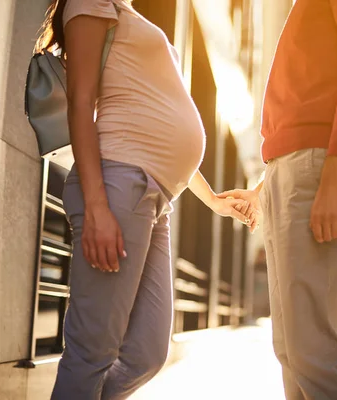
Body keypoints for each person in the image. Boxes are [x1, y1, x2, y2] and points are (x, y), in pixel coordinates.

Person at [34, 0, 254, 398]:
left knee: (148, 352)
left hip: (151, 196)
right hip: (117, 186)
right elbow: (82, 106)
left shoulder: (125, 10)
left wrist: (213, 201)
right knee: (91, 352)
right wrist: (97, 208)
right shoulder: (91, 3)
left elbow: (159, 124)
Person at [219, 1, 337, 399]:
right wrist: (269, 183)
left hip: (318, 167)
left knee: (312, 351)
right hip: (290, 169)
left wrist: (333, 175)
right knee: (292, 352)